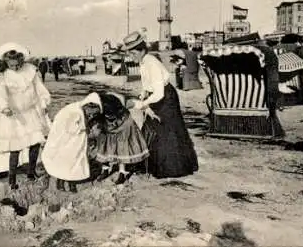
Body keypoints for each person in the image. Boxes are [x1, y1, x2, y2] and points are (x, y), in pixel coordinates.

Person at [122, 29, 199, 179]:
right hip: (155, 96)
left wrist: (140, 104)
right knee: (152, 128)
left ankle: (172, 168)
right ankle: (151, 164)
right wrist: (144, 93)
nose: (131, 57)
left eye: (133, 53)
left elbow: (159, 93)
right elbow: (148, 84)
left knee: (168, 131)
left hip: (166, 98)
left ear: (142, 50)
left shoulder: (152, 63)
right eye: (129, 53)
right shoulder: (143, 62)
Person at [0, 42, 52, 190]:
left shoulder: (31, 71)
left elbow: (40, 89)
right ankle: (12, 180)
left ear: (21, 61)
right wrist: (4, 107)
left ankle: (31, 172)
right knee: (15, 148)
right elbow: (0, 95)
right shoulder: (3, 76)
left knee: (35, 142)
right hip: (14, 116)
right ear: (6, 63)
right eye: (12, 66)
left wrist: (43, 103)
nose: (16, 68)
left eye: (18, 65)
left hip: (30, 112)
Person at [41, 93, 105, 193]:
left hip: (77, 142)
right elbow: (71, 128)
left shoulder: (80, 109)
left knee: (76, 163)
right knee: (65, 162)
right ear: (88, 106)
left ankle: (72, 184)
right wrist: (84, 128)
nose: (91, 115)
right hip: (68, 141)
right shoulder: (75, 112)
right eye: (91, 112)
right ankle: (60, 182)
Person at [94, 91, 149, 184]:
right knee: (104, 144)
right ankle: (105, 169)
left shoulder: (123, 105)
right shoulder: (99, 104)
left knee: (121, 146)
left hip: (123, 125)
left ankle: (122, 172)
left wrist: (148, 110)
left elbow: (140, 105)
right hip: (108, 126)